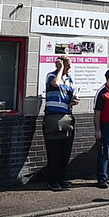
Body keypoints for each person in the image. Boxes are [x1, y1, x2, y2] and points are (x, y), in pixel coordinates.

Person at [43, 55, 79, 191]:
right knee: (54, 152)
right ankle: (52, 180)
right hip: (53, 118)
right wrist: (60, 69)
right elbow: (56, 84)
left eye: (70, 65)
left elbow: (72, 95)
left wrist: (74, 101)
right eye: (67, 65)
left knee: (65, 151)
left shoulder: (70, 80)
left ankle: (61, 178)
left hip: (67, 117)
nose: (69, 67)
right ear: (61, 64)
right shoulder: (51, 76)